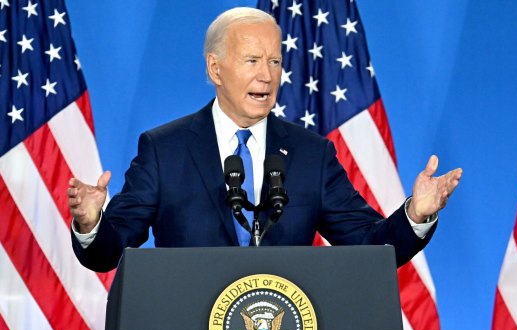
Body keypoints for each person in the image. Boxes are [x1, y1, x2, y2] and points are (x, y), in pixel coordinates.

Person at [68, 7, 462, 272]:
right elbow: (112, 248)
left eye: (275, 61)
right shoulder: (164, 150)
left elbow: (371, 245)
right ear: (215, 69)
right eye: (252, 61)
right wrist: (90, 225)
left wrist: (416, 214)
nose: (268, 75)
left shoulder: (311, 154)